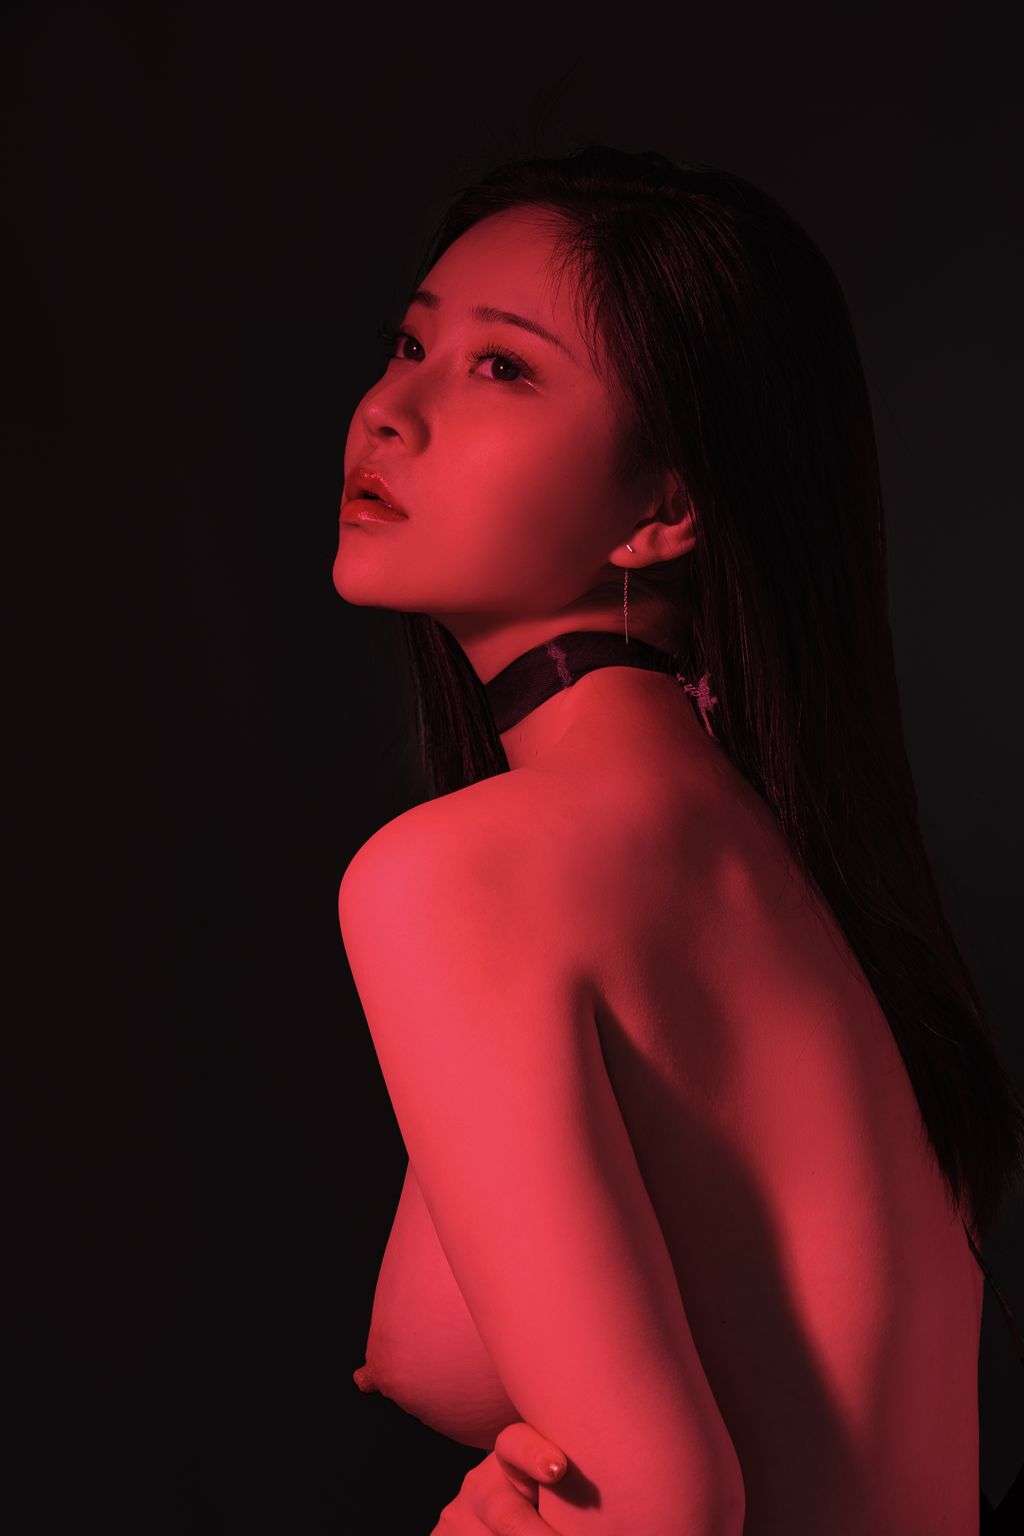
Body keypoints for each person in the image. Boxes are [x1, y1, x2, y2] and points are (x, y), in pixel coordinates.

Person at [333, 145, 1024, 1534]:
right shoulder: (778, 878)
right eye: (411, 344)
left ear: (666, 508)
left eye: (501, 368)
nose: (391, 412)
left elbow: (656, 1503)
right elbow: (436, 1349)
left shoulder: (460, 874)